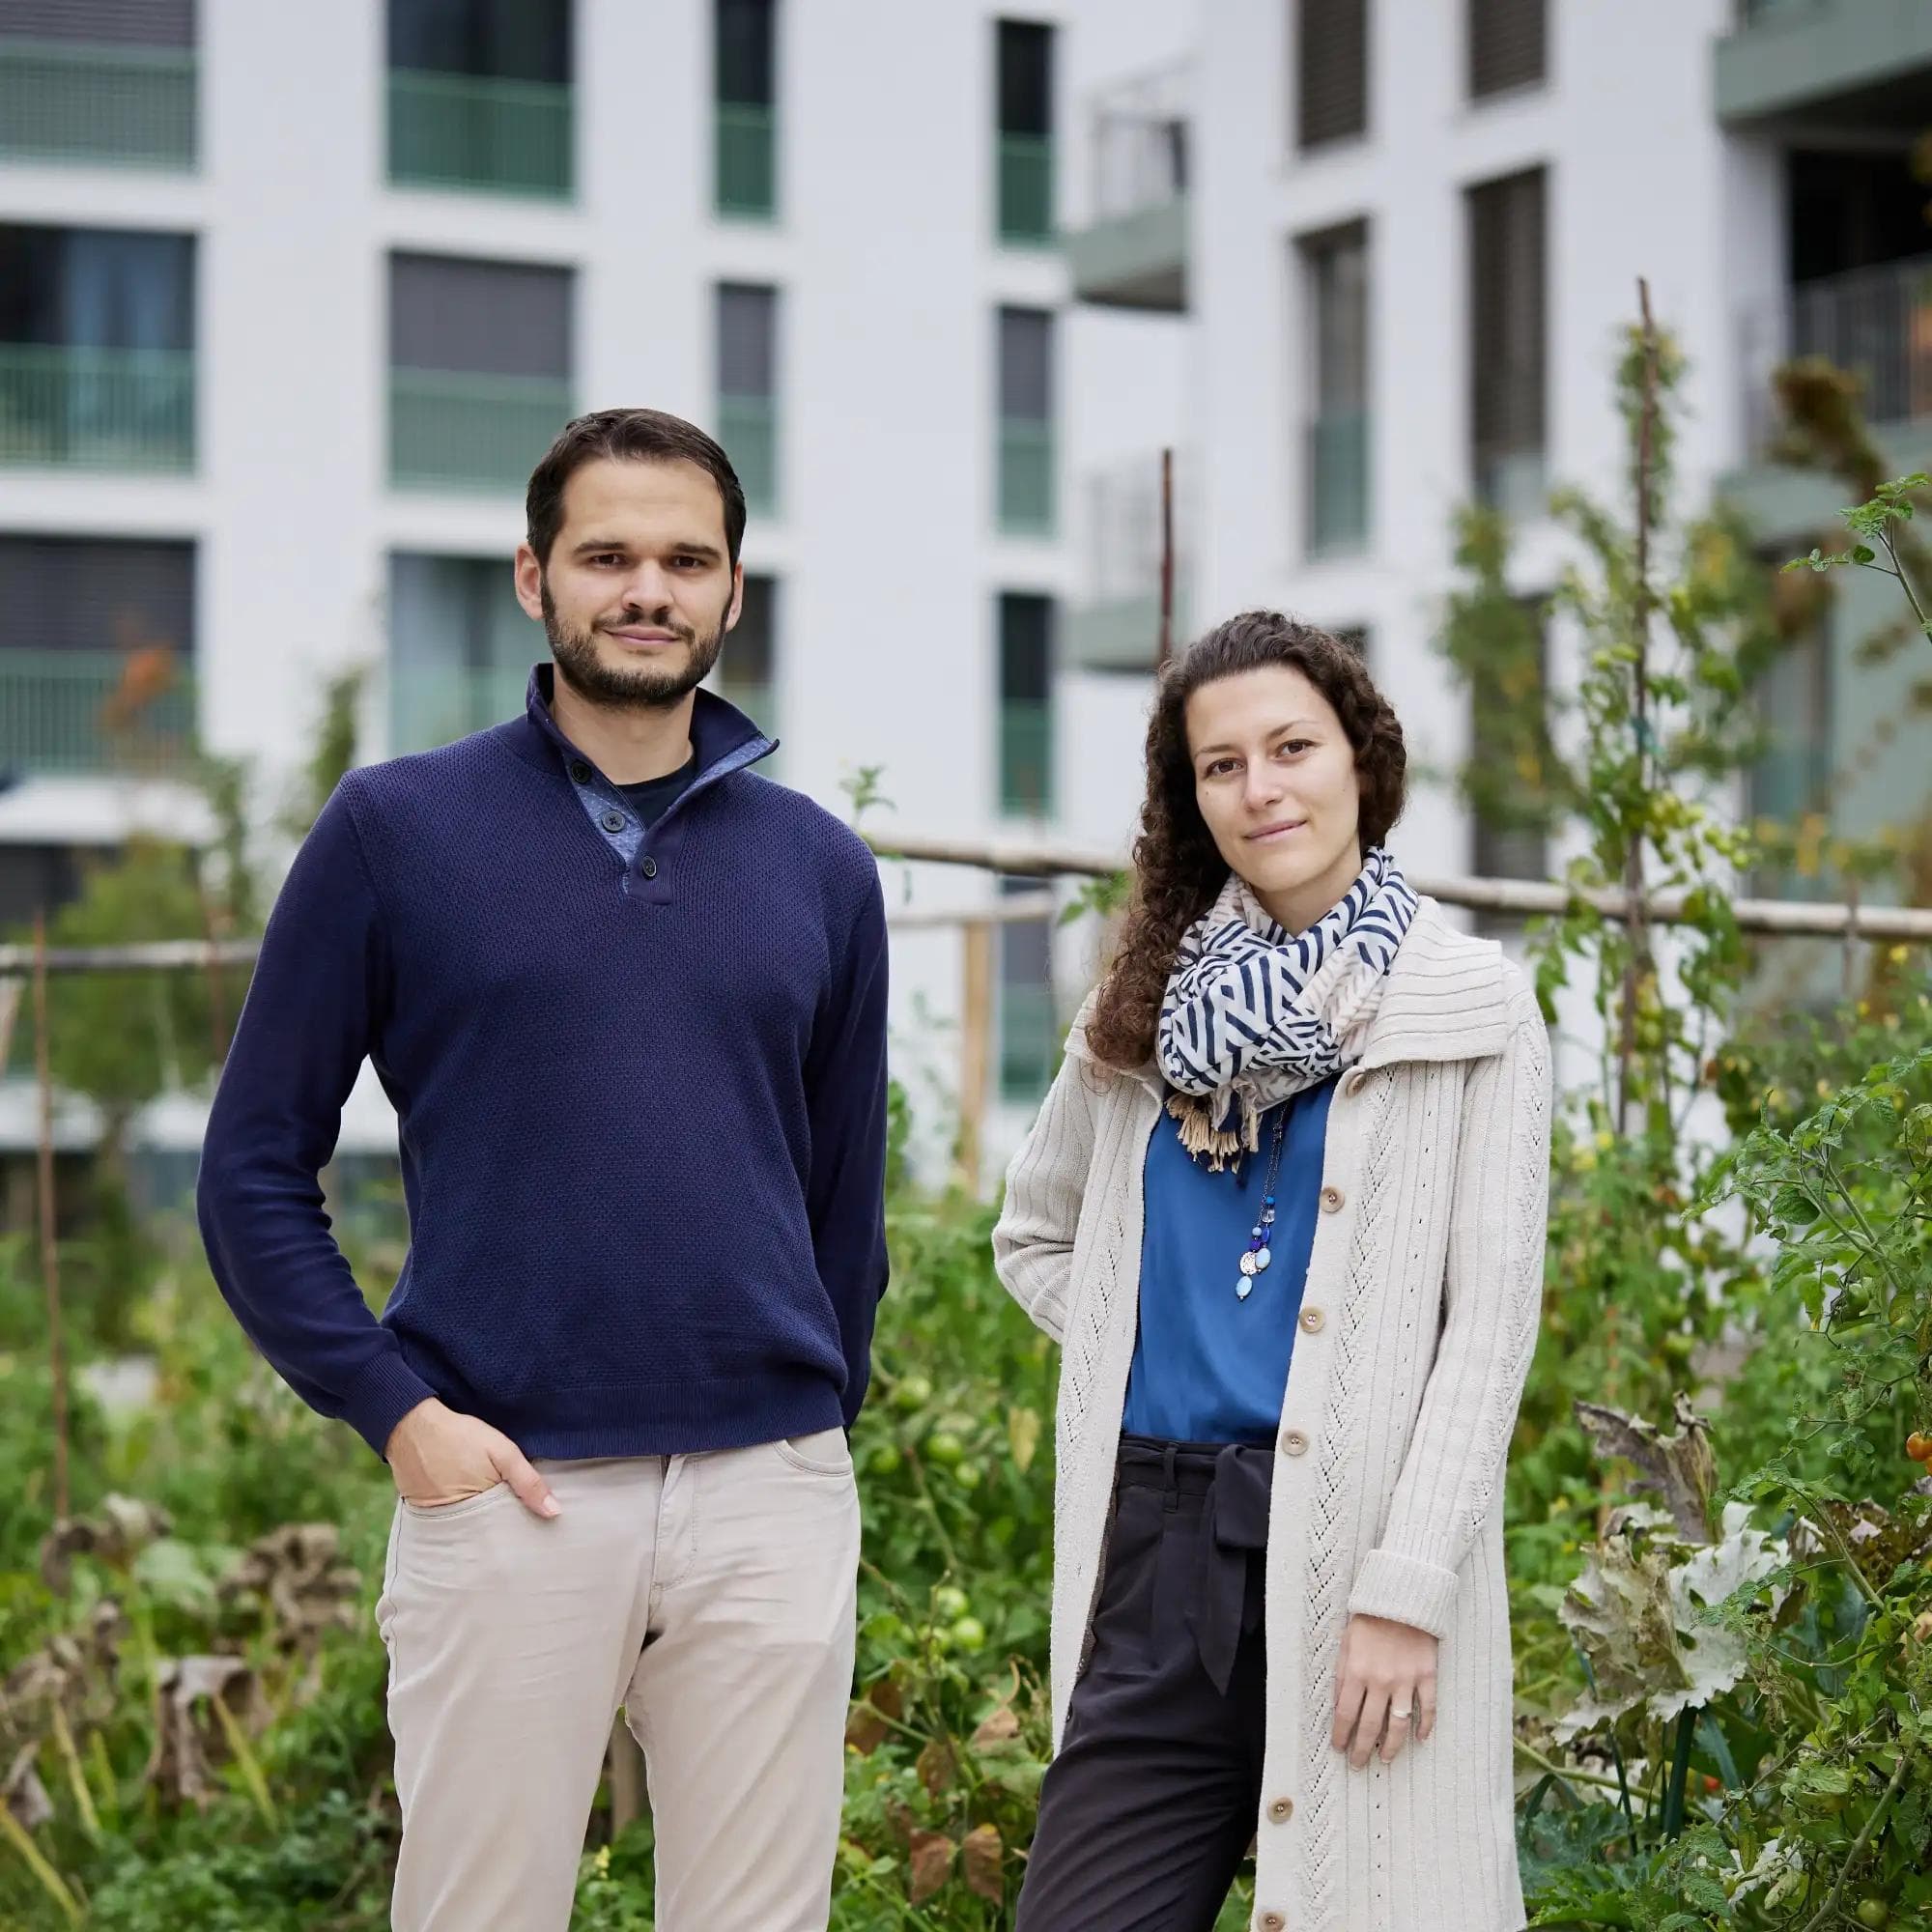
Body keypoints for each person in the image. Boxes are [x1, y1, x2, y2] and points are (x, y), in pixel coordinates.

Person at [197, 408, 891, 1932]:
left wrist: (812, 1427)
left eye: (685, 559)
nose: (647, 587)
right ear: (534, 577)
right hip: (506, 1485)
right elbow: (252, 1167)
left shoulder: (822, 869)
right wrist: (401, 1419)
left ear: (731, 596)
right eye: (608, 556)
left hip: (768, 1489)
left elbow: (848, 1197)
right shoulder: (396, 832)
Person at [993, 611, 1551, 1932]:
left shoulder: (1471, 1008)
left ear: (1360, 761)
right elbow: (1037, 1236)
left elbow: (1488, 1331)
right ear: (1191, 799)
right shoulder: (1137, 1009)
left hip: (1364, 1559)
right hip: (1157, 1553)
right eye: (1221, 764)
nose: (1262, 788)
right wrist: (1135, 1344)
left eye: (1292, 747)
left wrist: (1408, 1591)